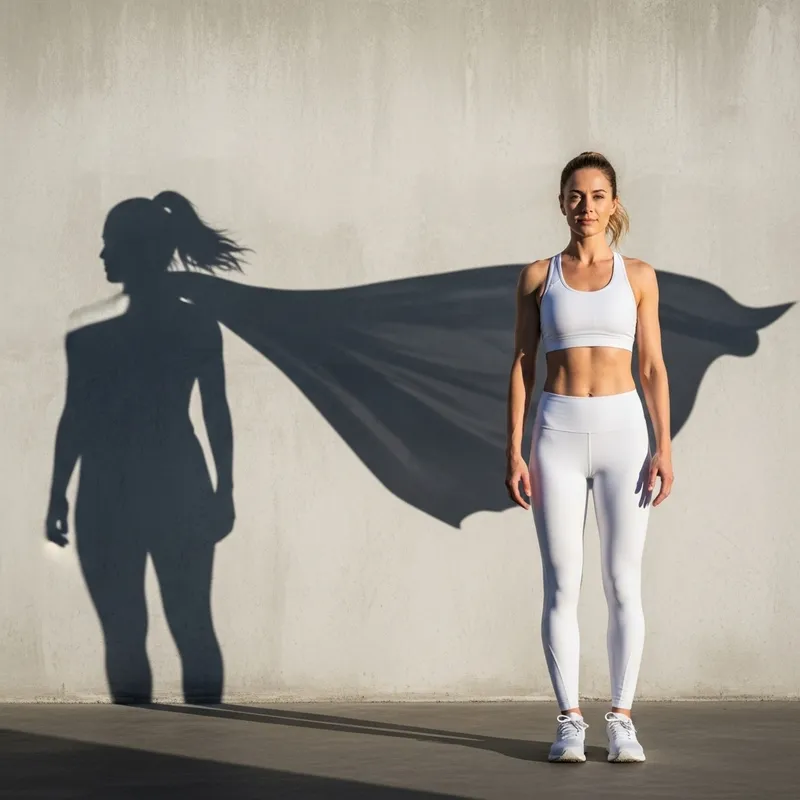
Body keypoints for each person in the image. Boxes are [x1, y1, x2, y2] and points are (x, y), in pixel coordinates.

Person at [45, 192, 248, 703]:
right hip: (177, 481)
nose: (101, 255)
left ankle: (140, 753)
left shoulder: (88, 333)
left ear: (135, 250)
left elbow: (77, 419)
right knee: (192, 623)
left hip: (108, 490)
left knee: (127, 631)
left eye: (109, 243)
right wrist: (223, 490)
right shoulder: (197, 324)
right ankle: (203, 747)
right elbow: (215, 416)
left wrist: (58, 495)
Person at [505, 152, 673, 763]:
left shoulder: (640, 276)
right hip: (556, 433)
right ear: (561, 203)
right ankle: (569, 719)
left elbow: (652, 367)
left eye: (598, 196)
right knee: (561, 585)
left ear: (614, 203)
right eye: (576, 196)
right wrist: (515, 449)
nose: (587, 207)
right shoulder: (536, 276)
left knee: (623, 582)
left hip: (625, 434)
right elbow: (523, 365)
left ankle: (622, 718)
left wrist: (664, 447)